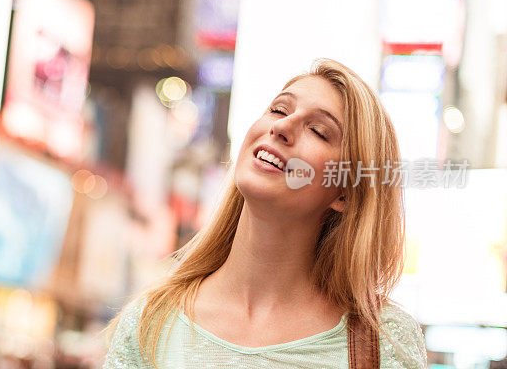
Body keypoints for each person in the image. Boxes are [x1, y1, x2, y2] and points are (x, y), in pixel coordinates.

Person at [102, 59, 428, 368]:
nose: (282, 126)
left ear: (343, 191)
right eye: (278, 109)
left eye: (318, 131)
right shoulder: (149, 324)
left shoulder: (386, 342)